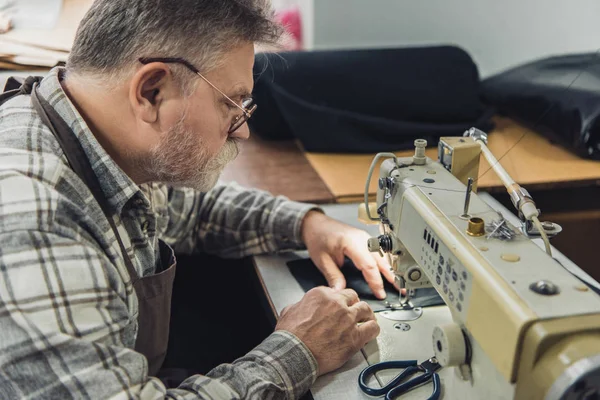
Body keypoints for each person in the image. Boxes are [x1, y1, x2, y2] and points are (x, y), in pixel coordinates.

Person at [0, 0, 396, 398]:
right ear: (152, 92)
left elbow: (191, 209)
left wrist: (309, 224)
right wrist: (299, 350)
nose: (241, 132)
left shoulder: (94, 129)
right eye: (231, 104)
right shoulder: (38, 220)